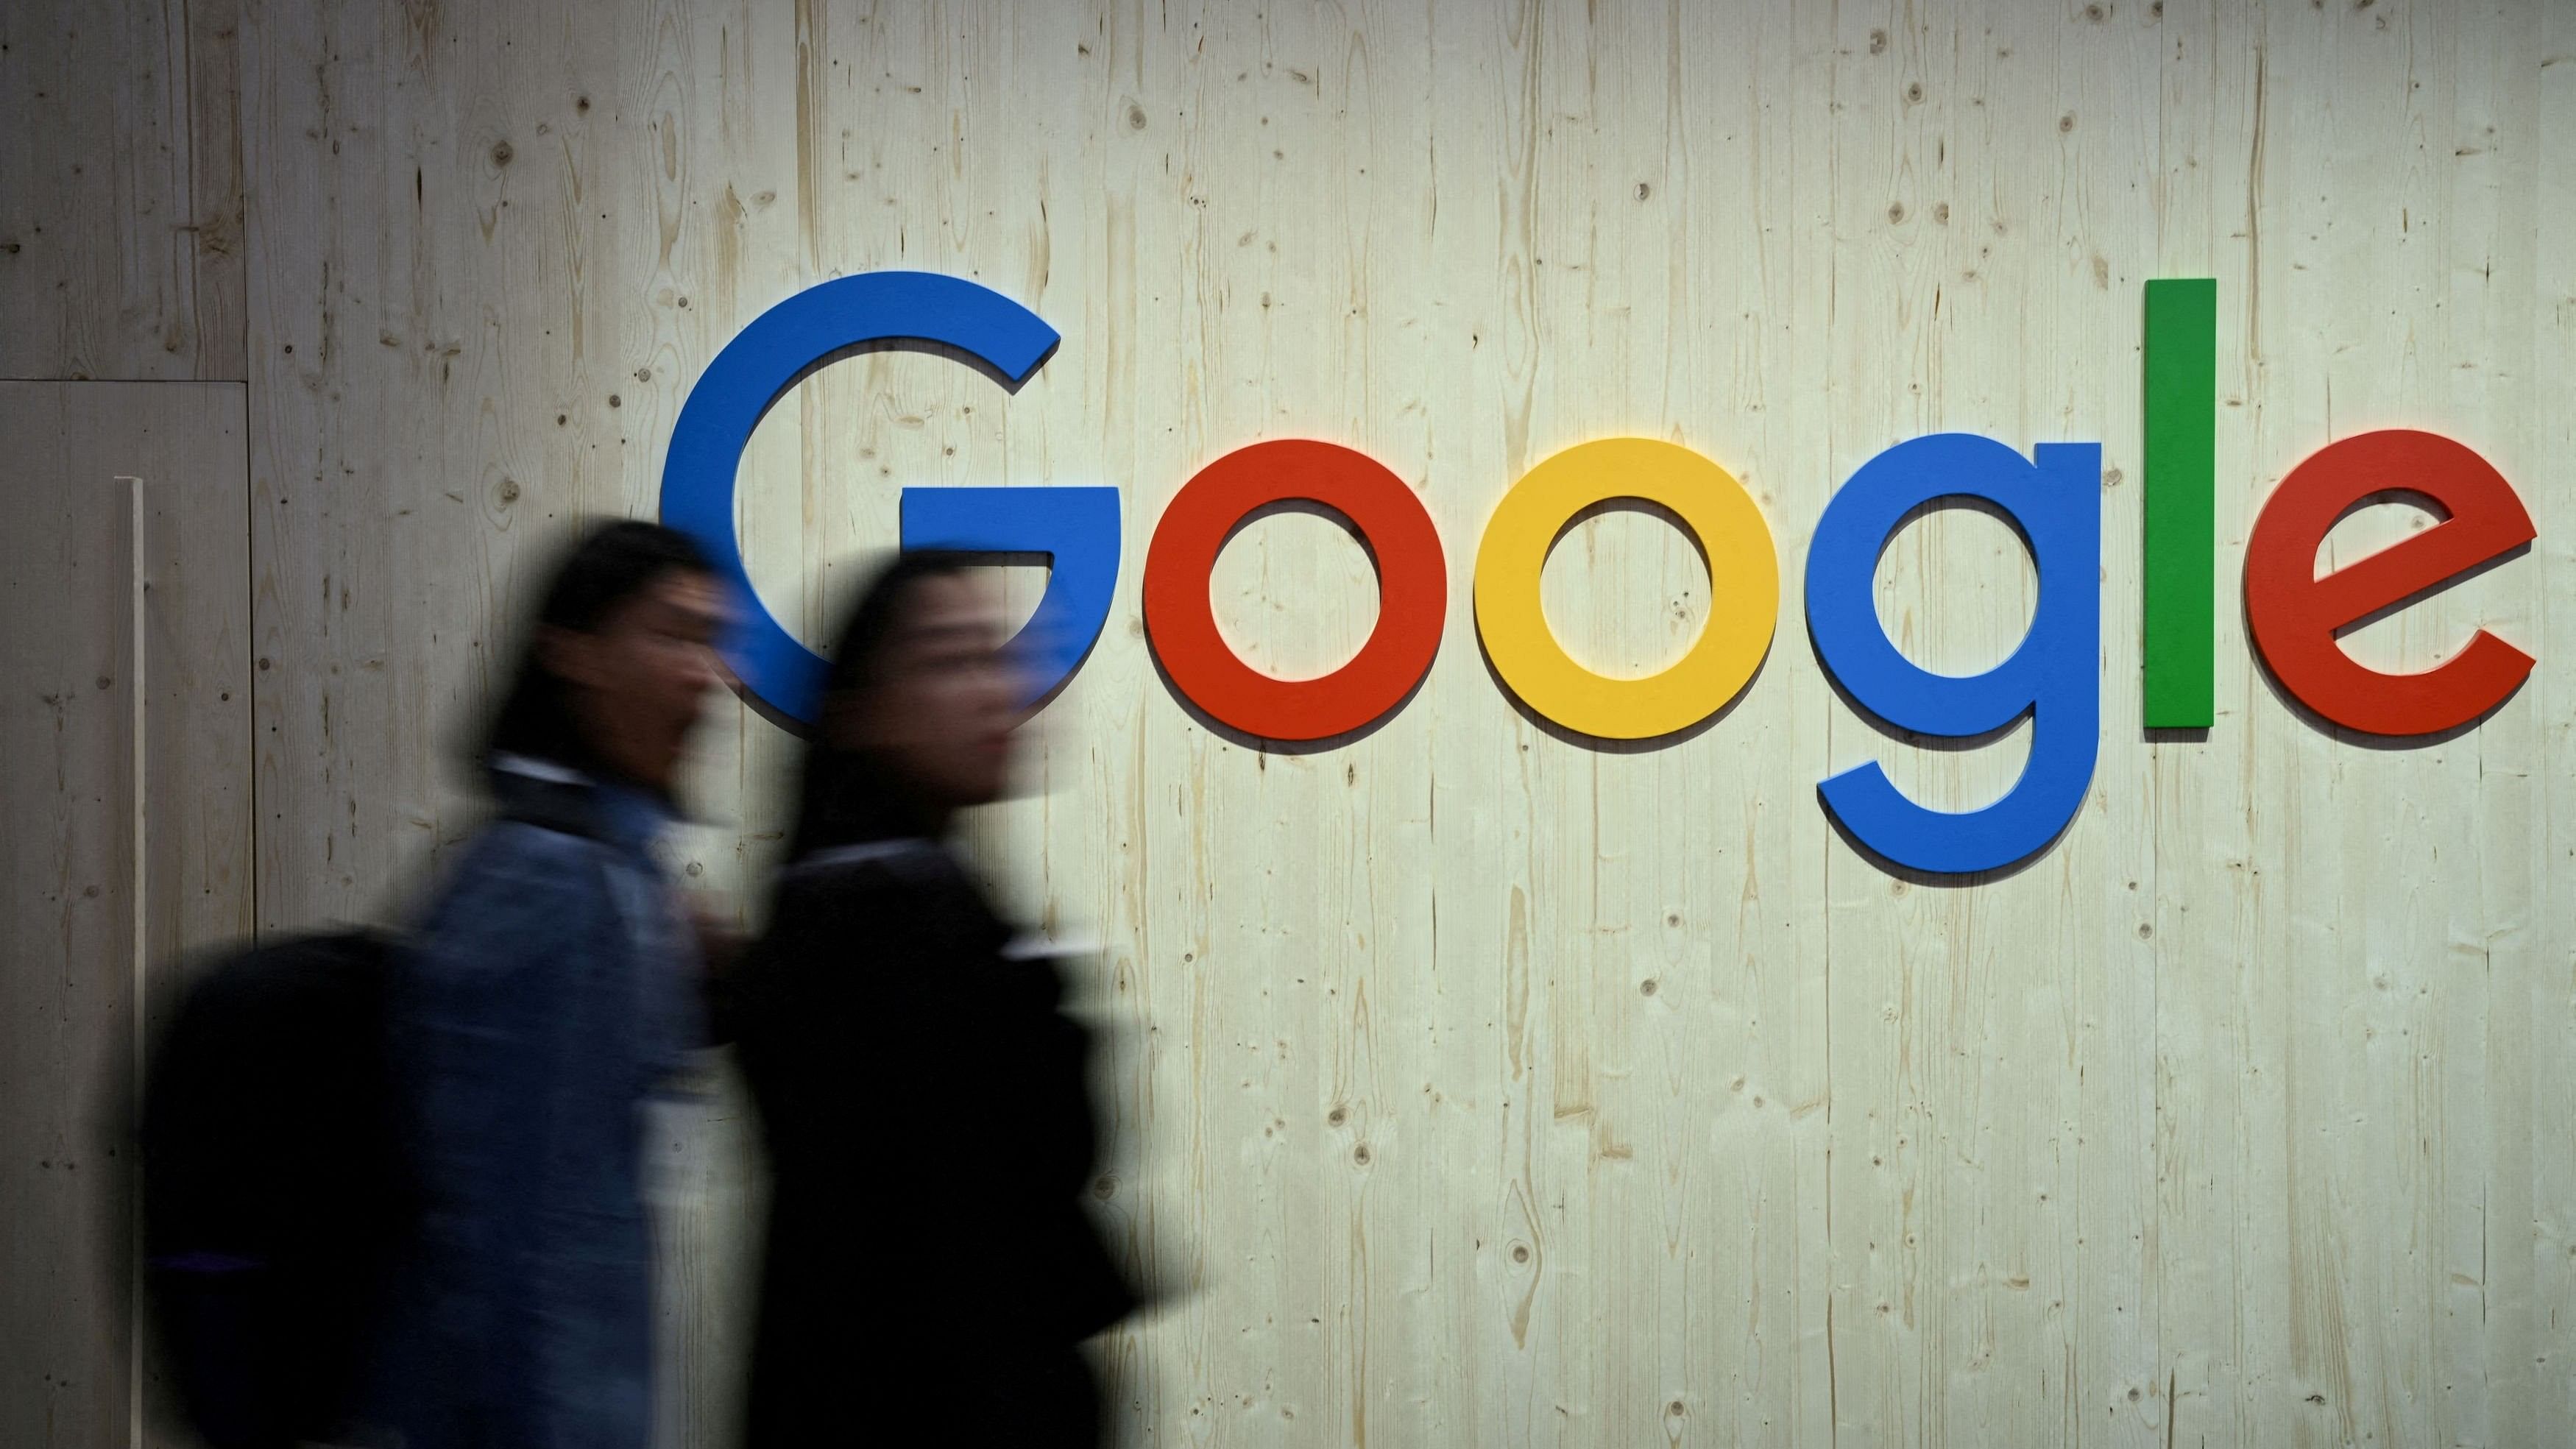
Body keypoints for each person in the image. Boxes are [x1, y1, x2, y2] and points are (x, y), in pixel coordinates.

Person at [731, 551, 1140, 1448]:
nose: (997, 689)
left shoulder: (868, 903)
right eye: (952, 660)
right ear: (864, 709)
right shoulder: (886, 924)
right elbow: (975, 1247)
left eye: (999, 655)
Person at [368, 519, 726, 1449]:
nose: (707, 677)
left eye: (711, 644)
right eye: (675, 636)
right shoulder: (561, 883)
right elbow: (544, 1246)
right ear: (573, 653)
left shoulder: (598, 869)